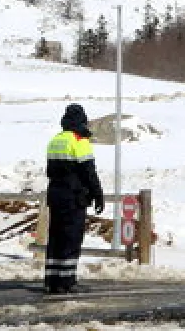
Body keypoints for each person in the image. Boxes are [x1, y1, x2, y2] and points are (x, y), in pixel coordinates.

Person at [44, 104, 104, 294]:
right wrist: (98, 193)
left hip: (55, 194)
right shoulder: (79, 139)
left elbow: (50, 170)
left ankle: (52, 281)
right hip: (73, 196)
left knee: (55, 237)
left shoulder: (56, 139)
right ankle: (67, 281)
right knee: (71, 238)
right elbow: (88, 171)